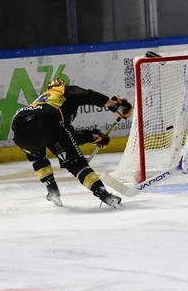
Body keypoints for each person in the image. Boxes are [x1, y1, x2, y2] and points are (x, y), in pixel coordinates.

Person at [11, 78, 133, 209]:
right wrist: (113, 105)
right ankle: (104, 195)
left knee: (36, 157)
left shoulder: (42, 101)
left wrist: (91, 137)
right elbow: (87, 95)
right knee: (76, 164)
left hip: (19, 128)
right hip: (46, 123)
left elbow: (65, 136)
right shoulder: (61, 91)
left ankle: (52, 190)